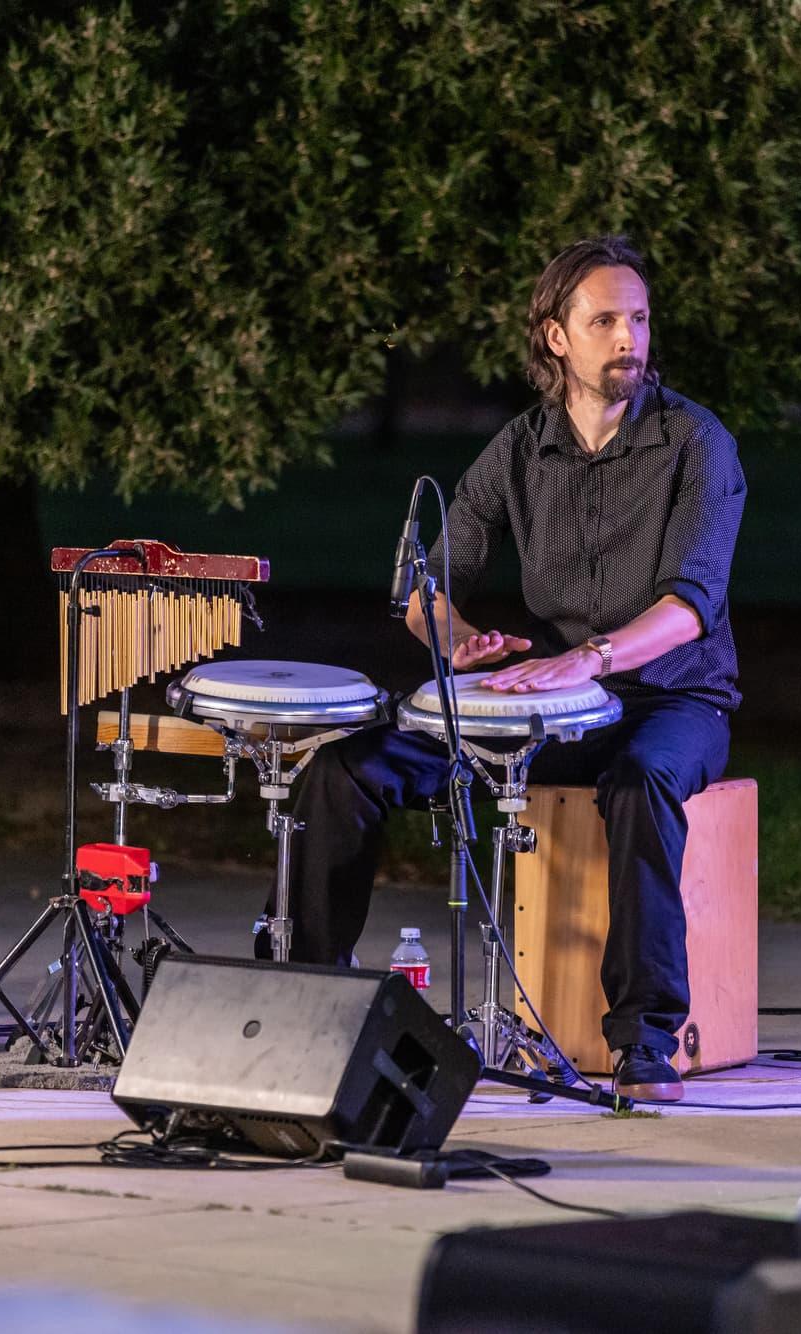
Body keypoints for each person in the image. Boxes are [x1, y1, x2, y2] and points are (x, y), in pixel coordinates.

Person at [258, 234, 746, 1103]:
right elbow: (424, 586)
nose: (628, 337)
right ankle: (308, 1002)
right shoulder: (519, 450)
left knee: (640, 786)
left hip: (669, 699)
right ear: (557, 337)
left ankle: (643, 1039)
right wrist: (458, 643)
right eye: (605, 320)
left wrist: (586, 661)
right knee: (343, 772)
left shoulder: (697, 444)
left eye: (638, 318)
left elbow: (688, 608)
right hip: (551, 707)